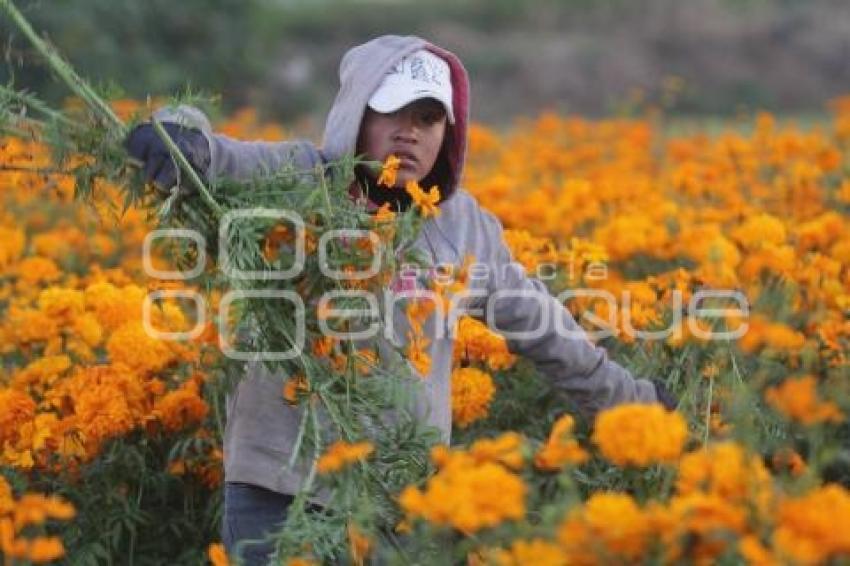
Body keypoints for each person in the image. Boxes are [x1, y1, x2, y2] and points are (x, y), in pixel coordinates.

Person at [126, 35, 677, 565]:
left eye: (428, 118)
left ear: (448, 132)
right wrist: (182, 137)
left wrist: (627, 402)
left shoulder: (463, 228)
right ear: (357, 115)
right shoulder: (298, 181)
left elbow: (545, 329)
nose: (410, 134)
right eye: (393, 113)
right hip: (282, 488)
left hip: (403, 498)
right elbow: (222, 159)